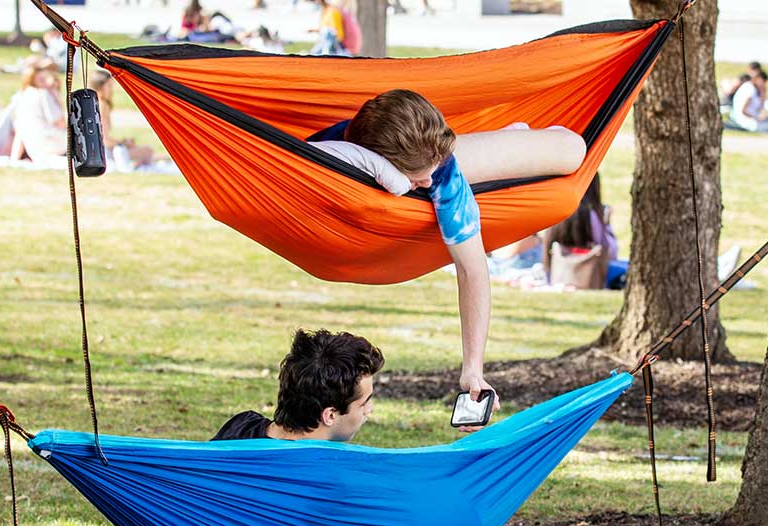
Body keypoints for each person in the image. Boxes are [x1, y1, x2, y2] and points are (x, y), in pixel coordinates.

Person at [320, 90, 585, 406]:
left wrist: (473, 368)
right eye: (419, 181)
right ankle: (508, 142)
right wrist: (392, 178)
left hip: (501, 152)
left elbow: (472, 269)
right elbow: (307, 154)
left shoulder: (443, 176)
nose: (428, 183)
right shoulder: (336, 151)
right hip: (395, 150)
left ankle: (514, 141)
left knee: (573, 149)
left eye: (429, 174)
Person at [212, 330, 385, 442]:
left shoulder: (240, 428)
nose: (369, 410)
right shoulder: (327, 474)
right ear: (330, 415)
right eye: (364, 403)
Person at [544, 174, 626, 290]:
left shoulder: (557, 211)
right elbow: (611, 252)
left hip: (558, 272)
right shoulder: (594, 215)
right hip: (592, 274)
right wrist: (607, 224)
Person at [9, 60, 68, 163]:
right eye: (43, 79)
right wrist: (57, 96)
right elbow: (61, 123)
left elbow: (19, 130)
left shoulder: (21, 96)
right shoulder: (44, 94)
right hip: (52, 145)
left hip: (33, 147)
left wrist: (14, 158)